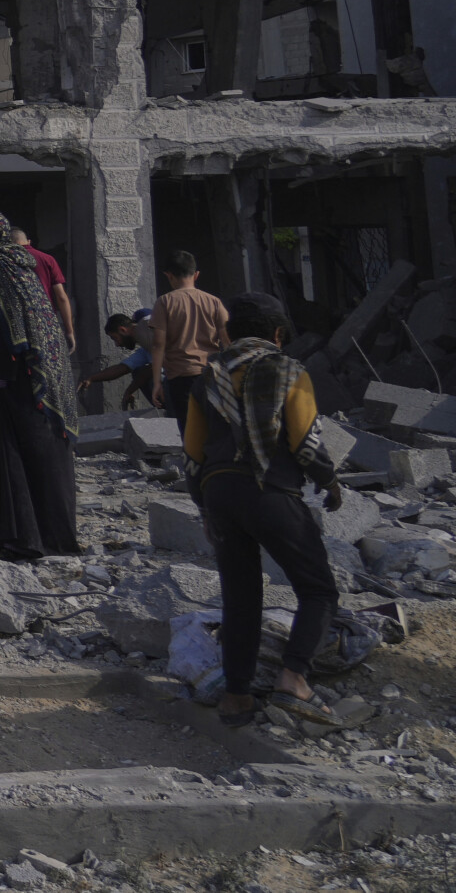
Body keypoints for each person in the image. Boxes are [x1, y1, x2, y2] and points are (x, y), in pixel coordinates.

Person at [185, 292, 343, 729]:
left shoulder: (207, 377)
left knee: (241, 598)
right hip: (270, 492)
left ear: (229, 333)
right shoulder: (288, 370)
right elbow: (306, 441)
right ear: (277, 334)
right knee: (317, 589)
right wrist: (329, 483)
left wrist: (204, 507)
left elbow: (193, 453)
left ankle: (237, 697)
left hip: (218, 493)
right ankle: (294, 678)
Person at [0, 210, 80, 560]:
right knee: (40, 460)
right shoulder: (16, 265)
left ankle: (26, 540)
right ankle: (43, 538)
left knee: (21, 460)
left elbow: (12, 329)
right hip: (28, 382)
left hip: (16, 387)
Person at [152, 252, 230, 426]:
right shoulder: (214, 302)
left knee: (190, 428)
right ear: (196, 275)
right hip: (212, 373)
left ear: (168, 275)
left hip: (180, 376)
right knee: (214, 425)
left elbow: (158, 345)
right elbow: (227, 341)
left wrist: (157, 382)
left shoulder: (164, 302)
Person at [14, 227, 76, 346]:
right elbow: (61, 297)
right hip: (45, 322)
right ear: (29, 242)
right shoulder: (47, 259)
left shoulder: (5, 262)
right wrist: (69, 331)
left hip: (18, 325)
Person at [79, 315, 156, 409]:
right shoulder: (144, 349)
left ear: (123, 330)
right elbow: (121, 368)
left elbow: (154, 367)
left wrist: (129, 390)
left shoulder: (149, 330)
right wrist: (91, 378)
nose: (117, 344)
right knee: (138, 372)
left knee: (145, 374)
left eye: (115, 338)